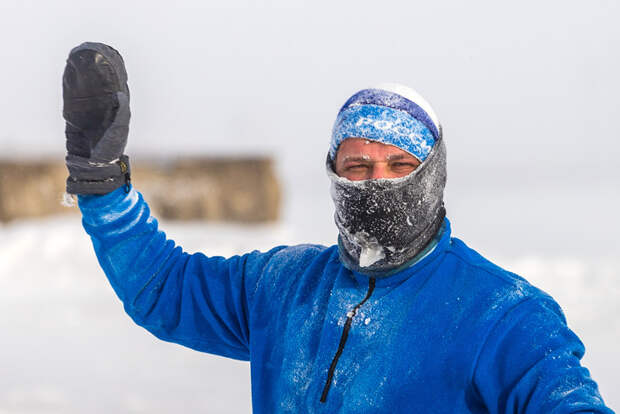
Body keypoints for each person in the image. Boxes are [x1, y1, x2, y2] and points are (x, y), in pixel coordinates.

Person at [63, 42, 613, 413]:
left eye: (401, 167)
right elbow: (166, 288)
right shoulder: (283, 286)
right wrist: (102, 185)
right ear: (333, 173)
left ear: (435, 175)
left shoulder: (504, 315)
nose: (377, 184)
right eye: (358, 167)